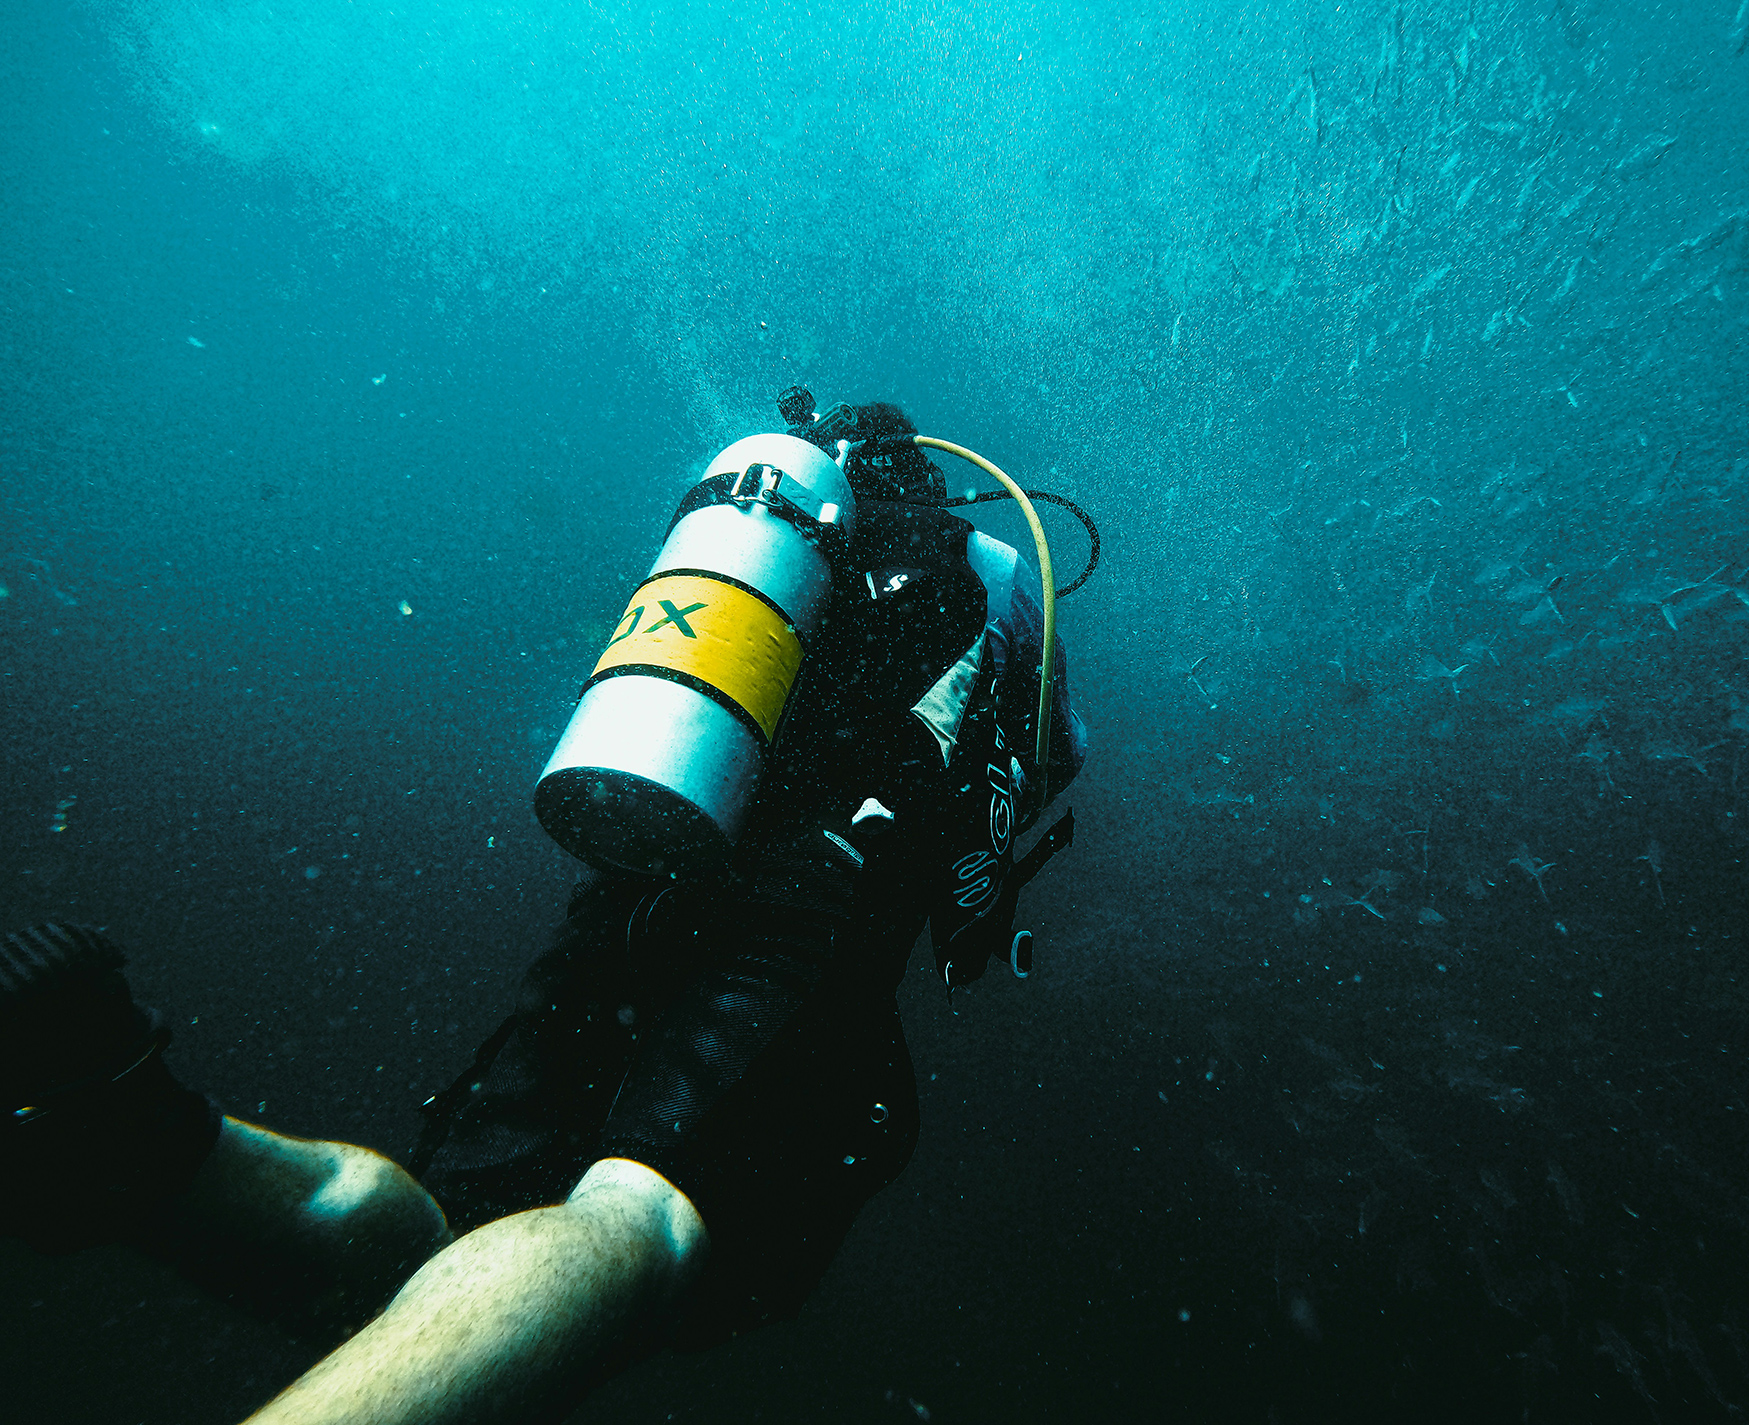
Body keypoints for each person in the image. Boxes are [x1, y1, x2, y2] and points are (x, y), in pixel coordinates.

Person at [0, 399, 1087, 1425]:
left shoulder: (763, 533)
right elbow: (1039, 771)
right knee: (642, 1217)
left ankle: (146, 1138)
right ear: (930, 481)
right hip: (809, 904)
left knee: (445, 1246)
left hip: (635, 872)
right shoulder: (981, 567)